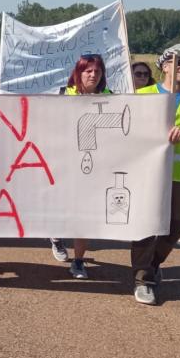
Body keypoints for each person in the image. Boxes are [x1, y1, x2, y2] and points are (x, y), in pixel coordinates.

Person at [132, 43, 180, 305]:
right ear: (165, 65)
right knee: (146, 225)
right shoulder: (143, 95)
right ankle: (143, 279)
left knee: (176, 225)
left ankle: (152, 264)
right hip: (148, 173)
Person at [50, 54, 112, 279]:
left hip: (94, 167)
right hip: (64, 165)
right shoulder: (63, 95)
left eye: (97, 71)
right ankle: (56, 237)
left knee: (85, 216)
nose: (93, 75)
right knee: (61, 210)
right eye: (88, 71)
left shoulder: (111, 97)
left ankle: (78, 261)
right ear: (78, 73)